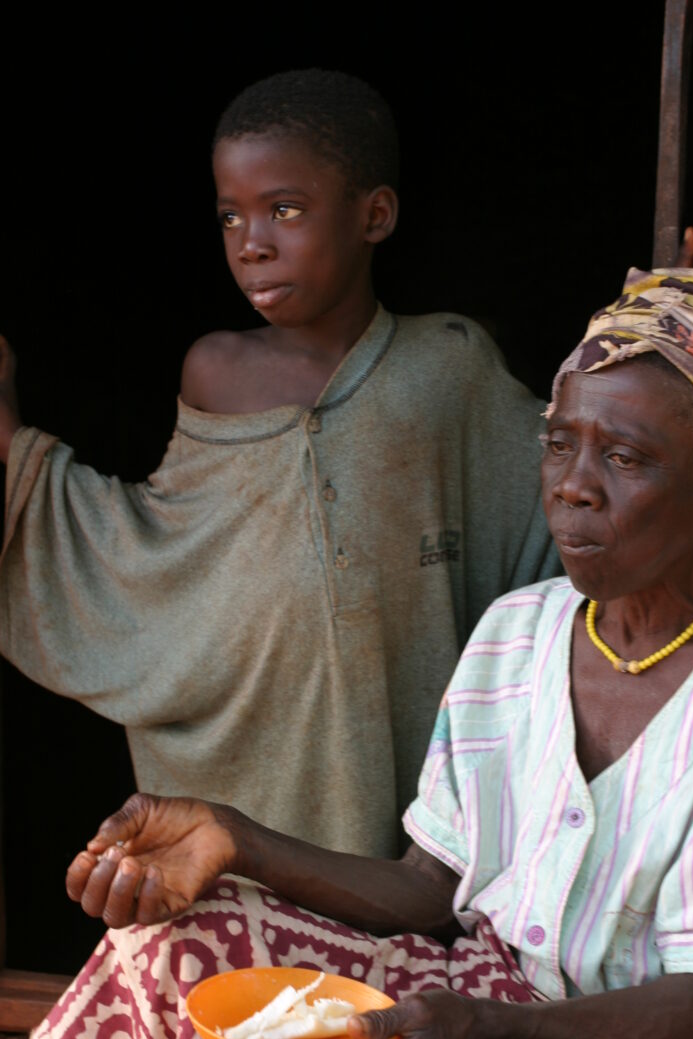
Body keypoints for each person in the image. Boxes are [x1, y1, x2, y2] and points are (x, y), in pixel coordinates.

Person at [31, 269, 693, 1039]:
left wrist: (480, 1029)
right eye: (560, 446)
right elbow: (426, 887)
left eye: (625, 459)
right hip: (497, 996)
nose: (573, 490)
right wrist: (235, 839)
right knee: (175, 950)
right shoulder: (518, 632)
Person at [0, 70, 558, 858]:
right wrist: (9, 436)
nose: (251, 243)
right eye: (230, 216)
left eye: (284, 210)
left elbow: (561, 503)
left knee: (382, 944)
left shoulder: (448, 363)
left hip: (401, 769)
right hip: (252, 764)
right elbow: (170, 561)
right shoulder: (216, 371)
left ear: (376, 215)